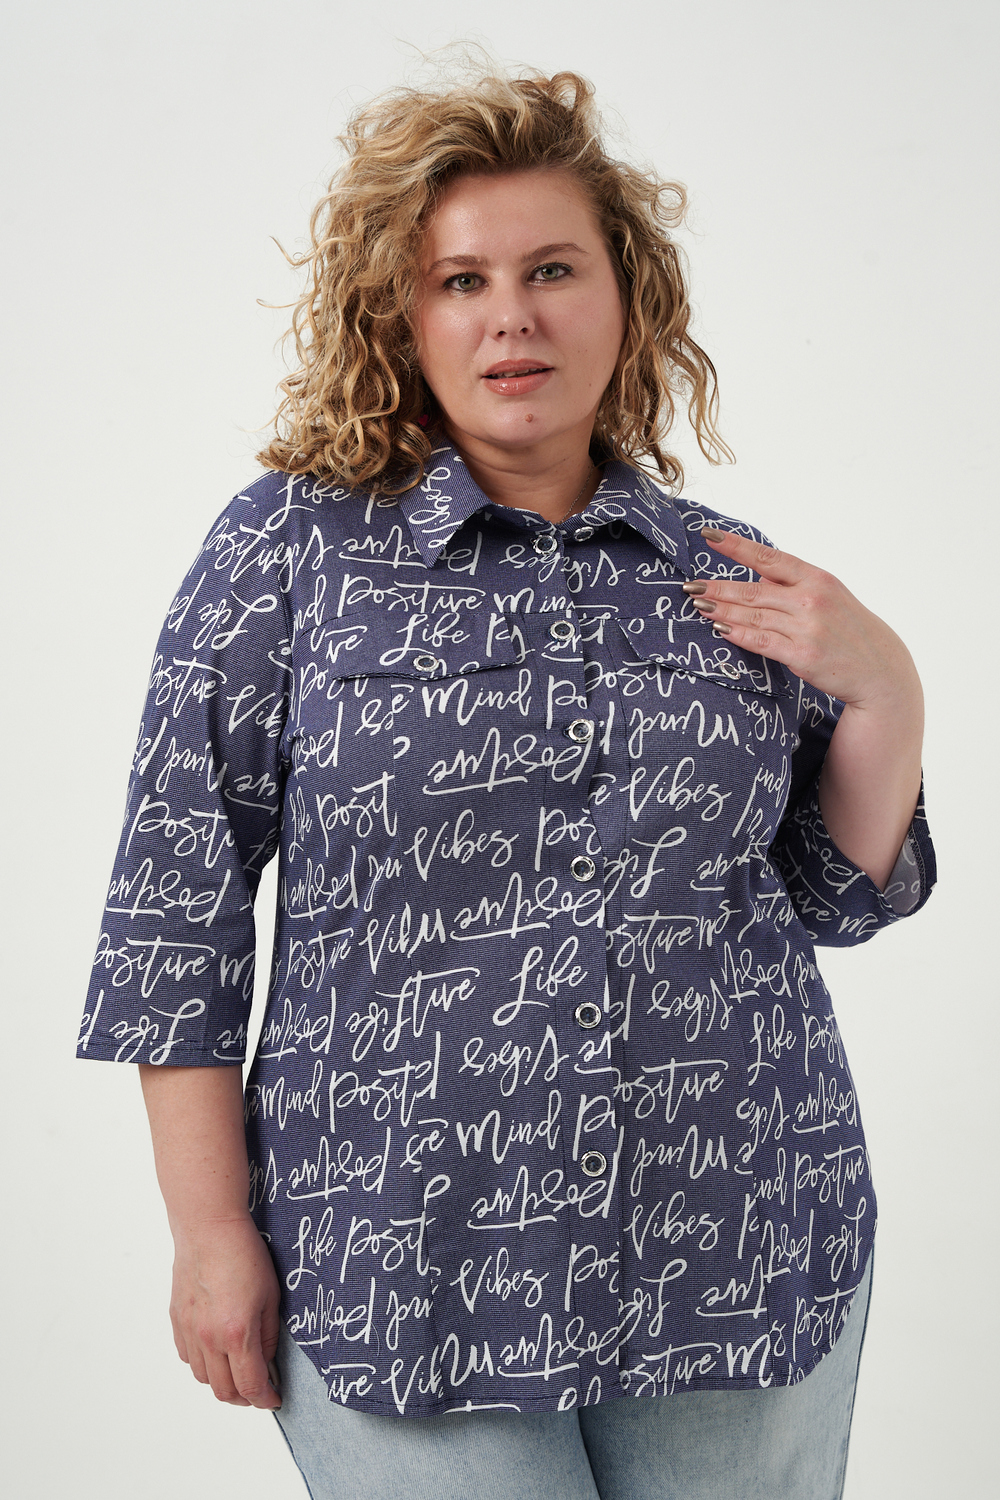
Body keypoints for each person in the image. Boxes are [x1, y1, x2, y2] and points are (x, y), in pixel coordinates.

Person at [78, 64, 935, 1500]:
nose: (511, 316)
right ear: (400, 318)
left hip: (738, 1237)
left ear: (627, 299)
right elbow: (178, 916)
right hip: (402, 1254)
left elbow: (831, 894)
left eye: (552, 269)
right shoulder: (286, 554)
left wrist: (887, 687)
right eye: (461, 281)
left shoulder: (724, 570)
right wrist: (210, 1231)